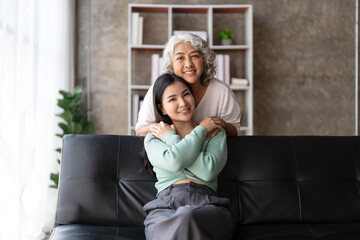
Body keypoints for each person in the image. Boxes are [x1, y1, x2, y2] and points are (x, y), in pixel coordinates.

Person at [142, 73, 235, 240]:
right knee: (185, 218)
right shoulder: (155, 136)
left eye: (186, 94)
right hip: (165, 209)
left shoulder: (214, 131)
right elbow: (174, 162)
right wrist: (199, 132)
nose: (183, 103)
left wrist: (173, 141)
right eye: (172, 99)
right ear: (161, 107)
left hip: (208, 205)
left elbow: (208, 171)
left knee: (188, 216)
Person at [135, 33, 241, 137]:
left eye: (194, 56)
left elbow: (234, 130)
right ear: (171, 64)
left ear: (204, 60)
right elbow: (140, 130)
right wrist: (156, 128)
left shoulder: (221, 90)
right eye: (180, 58)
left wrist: (217, 125)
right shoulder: (158, 89)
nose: (189, 64)